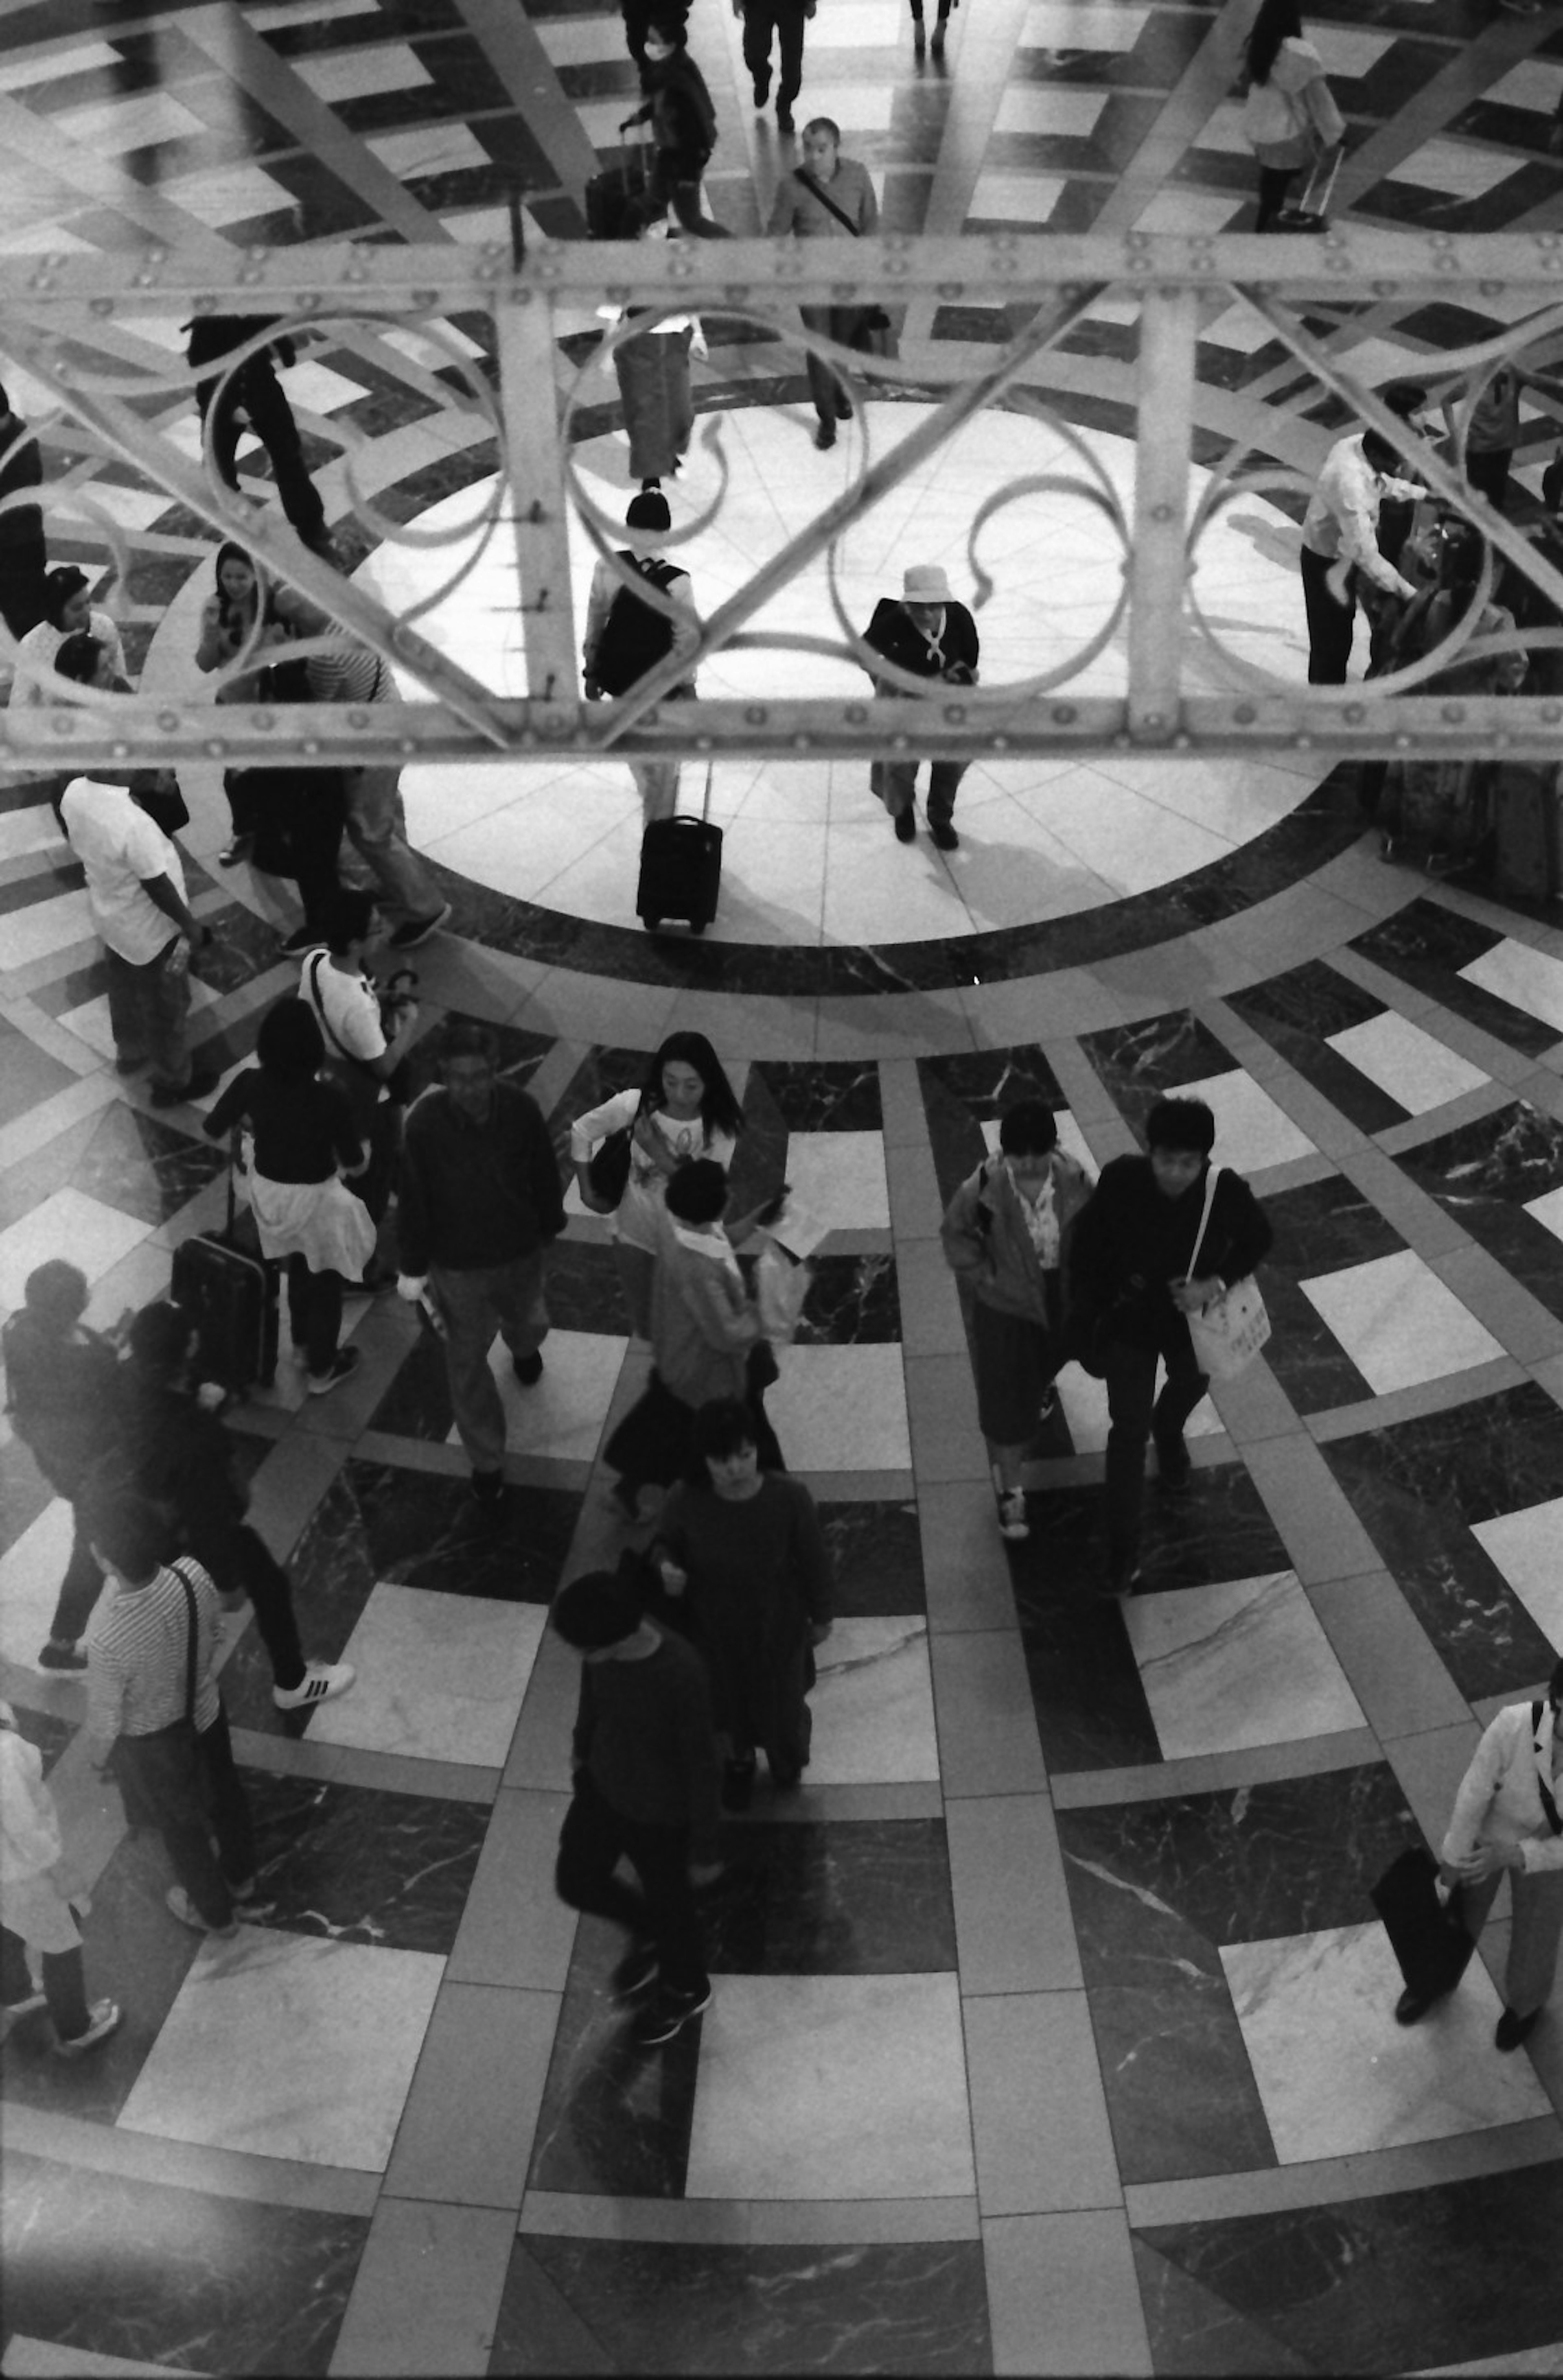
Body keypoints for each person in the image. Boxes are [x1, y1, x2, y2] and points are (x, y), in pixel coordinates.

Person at [1066, 1097, 1272, 1595]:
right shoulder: (1122, 1180)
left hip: (1192, 1327)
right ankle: (1124, 1551)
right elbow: (1089, 1249)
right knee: (1127, 1433)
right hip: (1132, 1326)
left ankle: (1171, 1427)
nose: (1176, 1173)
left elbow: (1260, 1237)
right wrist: (1093, 1320)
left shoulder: (1224, 1191)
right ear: (1150, 1151)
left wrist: (1214, 1283)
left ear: (1204, 1158)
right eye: (1166, 1160)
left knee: (1187, 1386)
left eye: (1188, 1162)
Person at [111, 1303, 355, 1713]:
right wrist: (225, 1580)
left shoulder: (127, 1379)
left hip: (145, 1520)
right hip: (195, 1527)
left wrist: (201, 1404)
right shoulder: (195, 1438)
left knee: (172, 1610)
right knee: (269, 1585)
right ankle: (292, 1682)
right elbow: (209, 1516)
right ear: (186, 1346)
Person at [395, 1018, 568, 1506]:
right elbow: (415, 1199)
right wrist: (413, 1265)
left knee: (530, 1319)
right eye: (457, 1077)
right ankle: (487, 1459)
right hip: (457, 1267)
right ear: (444, 1075)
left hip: (519, 1252)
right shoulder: (425, 1125)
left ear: (495, 1071)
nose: (468, 1088)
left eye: (478, 1076)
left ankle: (523, 1344)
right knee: (466, 1362)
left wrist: (550, 1221)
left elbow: (542, 1169)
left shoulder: (521, 1110)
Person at [550, 1565, 722, 2047]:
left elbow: (702, 1765)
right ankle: (646, 1929)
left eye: (587, 1648)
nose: (583, 1657)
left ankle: (687, 1988)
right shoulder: (602, 1652)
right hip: (602, 1785)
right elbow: (593, 1696)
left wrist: (705, 1849)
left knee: (675, 1911)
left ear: (619, 1636)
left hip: (660, 1816)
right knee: (577, 1879)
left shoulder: (680, 1673)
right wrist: (583, 1749)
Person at [81, 1493, 262, 1941]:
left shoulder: (107, 1637)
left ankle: (217, 1916)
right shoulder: (191, 1574)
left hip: (155, 1742)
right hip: (205, 1709)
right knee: (226, 1793)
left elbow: (107, 1716)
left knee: (182, 1830)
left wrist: (97, 1758)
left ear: (104, 1558)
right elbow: (216, 1631)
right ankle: (242, 1876)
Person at [651, 1398, 832, 1807]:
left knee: (782, 1703)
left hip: (777, 1624)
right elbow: (665, 1544)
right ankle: (740, 1760)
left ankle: (787, 1758)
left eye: (745, 1455)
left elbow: (813, 1559)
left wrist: (822, 1615)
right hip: (714, 1626)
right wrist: (666, 1567)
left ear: (758, 1449)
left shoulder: (789, 1497)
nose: (735, 1468)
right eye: (722, 1460)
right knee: (725, 1700)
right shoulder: (685, 1498)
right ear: (704, 1460)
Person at [939, 1102, 1094, 1543]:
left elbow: (1094, 1223)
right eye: (1017, 1154)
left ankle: (1042, 1382)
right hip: (1006, 1305)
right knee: (1007, 1399)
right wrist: (983, 1273)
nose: (1026, 1163)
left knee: (1053, 1353)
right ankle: (1011, 1491)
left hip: (1057, 1293)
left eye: (1037, 1153)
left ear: (1054, 1147)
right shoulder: (985, 1186)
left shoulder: (1073, 1177)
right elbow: (955, 1232)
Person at [202, 998, 373, 1394]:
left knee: (295, 1262)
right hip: (317, 1201)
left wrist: (253, 1119)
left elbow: (212, 1126)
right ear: (314, 1049)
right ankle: (321, 1368)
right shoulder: (331, 1098)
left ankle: (299, 1346)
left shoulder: (249, 1083)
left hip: (270, 1196)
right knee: (325, 1282)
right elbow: (356, 1163)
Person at [1394, 1656, 1563, 2056]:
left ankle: (1525, 2005)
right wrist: (1452, 1863)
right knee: (1457, 1910)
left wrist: (1518, 1854)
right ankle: (1430, 1978)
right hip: (1490, 1832)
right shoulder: (1514, 1725)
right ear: (1556, 1699)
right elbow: (1474, 1794)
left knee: (1539, 1929)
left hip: (1547, 1850)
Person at [603, 1159, 780, 1521]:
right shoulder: (697, 1270)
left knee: (672, 1431)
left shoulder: (678, 1225)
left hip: (684, 1357)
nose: (732, 1192)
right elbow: (728, 1334)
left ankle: (631, 1490)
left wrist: (762, 1216)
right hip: (706, 1371)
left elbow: (722, 1239)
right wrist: (768, 1310)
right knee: (715, 1432)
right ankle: (766, 1497)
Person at [58, 768, 218, 1108]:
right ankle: (172, 1081)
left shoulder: (73, 792)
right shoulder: (134, 824)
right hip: (153, 936)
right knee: (166, 1009)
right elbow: (158, 885)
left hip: (112, 919)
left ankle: (130, 1050)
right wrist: (190, 927)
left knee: (122, 989)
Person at [569, 1030, 744, 1338]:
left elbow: (707, 1193)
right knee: (646, 1321)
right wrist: (585, 1190)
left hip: (687, 1242)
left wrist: (658, 1153)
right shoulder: (634, 1105)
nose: (679, 1094)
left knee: (686, 1319)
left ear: (708, 1082)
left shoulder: (719, 1128)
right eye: (670, 1081)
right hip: (633, 1233)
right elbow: (582, 1131)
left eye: (691, 1085)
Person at [1379, 523, 1527, 874]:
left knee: (1408, 778)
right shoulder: (1497, 621)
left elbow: (1398, 640)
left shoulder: (1430, 600)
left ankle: (1393, 837)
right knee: (1455, 790)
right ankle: (1441, 851)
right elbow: (1513, 673)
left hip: (1421, 708)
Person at [2, 1263, 124, 1671]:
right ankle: (62, 1641)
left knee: (91, 1534)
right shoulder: (89, 1362)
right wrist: (115, 1352)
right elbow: (115, 1395)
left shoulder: (20, 1330)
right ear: (77, 1304)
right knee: (91, 1549)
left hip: (57, 1455)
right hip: (96, 1464)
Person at [1, 1700, 122, 2058]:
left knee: (6, 1931)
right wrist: (57, 1867)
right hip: (23, 1872)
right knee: (62, 1943)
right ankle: (75, 2029)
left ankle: (15, 1994)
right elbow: (23, 1825)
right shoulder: (5, 1755)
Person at [581, 490, 700, 829]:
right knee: (666, 759)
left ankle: (652, 807)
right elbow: (685, 640)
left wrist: (591, 670)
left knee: (634, 750)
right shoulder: (678, 582)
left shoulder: (607, 567)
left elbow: (596, 622)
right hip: (663, 688)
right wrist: (689, 685)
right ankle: (660, 826)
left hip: (620, 680)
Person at [768, 118, 879, 451]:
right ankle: (827, 418)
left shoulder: (858, 176)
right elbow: (775, 234)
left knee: (841, 343)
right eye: (808, 149)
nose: (814, 157)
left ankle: (839, 393)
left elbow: (871, 224)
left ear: (836, 147)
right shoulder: (791, 186)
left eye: (822, 149)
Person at [184, 314, 330, 555]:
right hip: (221, 401)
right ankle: (235, 527)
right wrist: (230, 404)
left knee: (289, 457)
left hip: (262, 389)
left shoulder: (253, 310)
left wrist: (285, 346)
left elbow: (271, 325)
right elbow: (202, 366)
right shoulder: (210, 324)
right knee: (220, 469)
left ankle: (311, 526)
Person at [862, 563, 980, 850]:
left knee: (949, 765)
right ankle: (903, 811)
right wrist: (887, 683)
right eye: (918, 606)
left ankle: (941, 817)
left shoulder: (958, 615)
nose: (927, 613)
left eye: (934, 606)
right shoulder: (895, 621)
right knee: (901, 764)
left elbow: (971, 656)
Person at [1298, 426, 1424, 684]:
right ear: (1377, 455)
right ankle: (1324, 706)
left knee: (1341, 632)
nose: (1400, 469)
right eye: (1395, 462)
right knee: (1329, 641)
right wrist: (1408, 592)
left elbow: (1382, 482)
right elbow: (1366, 554)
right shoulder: (1350, 485)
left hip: (1340, 555)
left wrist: (1424, 495)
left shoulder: (1358, 446)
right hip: (1326, 561)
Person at [605, 203, 698, 492]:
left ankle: (670, 453)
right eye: (654, 226)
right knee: (646, 413)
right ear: (639, 231)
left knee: (680, 409)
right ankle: (652, 475)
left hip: (676, 339)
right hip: (639, 344)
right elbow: (612, 310)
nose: (661, 231)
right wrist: (607, 352)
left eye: (662, 224)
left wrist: (698, 334)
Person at [1240, 0, 1345, 234]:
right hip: (1286, 132)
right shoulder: (1300, 53)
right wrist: (1334, 134)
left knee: (1272, 181)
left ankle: (1264, 227)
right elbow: (1320, 101)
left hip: (1258, 128)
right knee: (1284, 180)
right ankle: (1269, 231)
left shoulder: (1257, 44)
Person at [621, 20, 726, 239]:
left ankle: (736, 247)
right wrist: (641, 117)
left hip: (682, 161)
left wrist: (688, 175)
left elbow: (693, 134)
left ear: (670, 46)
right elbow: (662, 104)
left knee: (692, 220)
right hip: (670, 155)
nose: (647, 45)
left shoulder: (678, 85)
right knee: (651, 203)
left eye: (653, 41)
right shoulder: (670, 73)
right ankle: (640, 240)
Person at [8, 565, 127, 708]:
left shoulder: (104, 627)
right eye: (77, 608)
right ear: (57, 611)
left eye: (88, 603)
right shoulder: (32, 646)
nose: (87, 611)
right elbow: (21, 706)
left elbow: (120, 679)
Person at [0, 381, 48, 644]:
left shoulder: (21, 446)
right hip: (14, 546)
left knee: (28, 620)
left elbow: (17, 505)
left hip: (19, 549)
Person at [736, 0, 813, 131]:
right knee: (754, 55)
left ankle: (784, 105)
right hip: (758, 4)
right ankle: (762, 76)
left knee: (792, 62)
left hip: (793, 5)